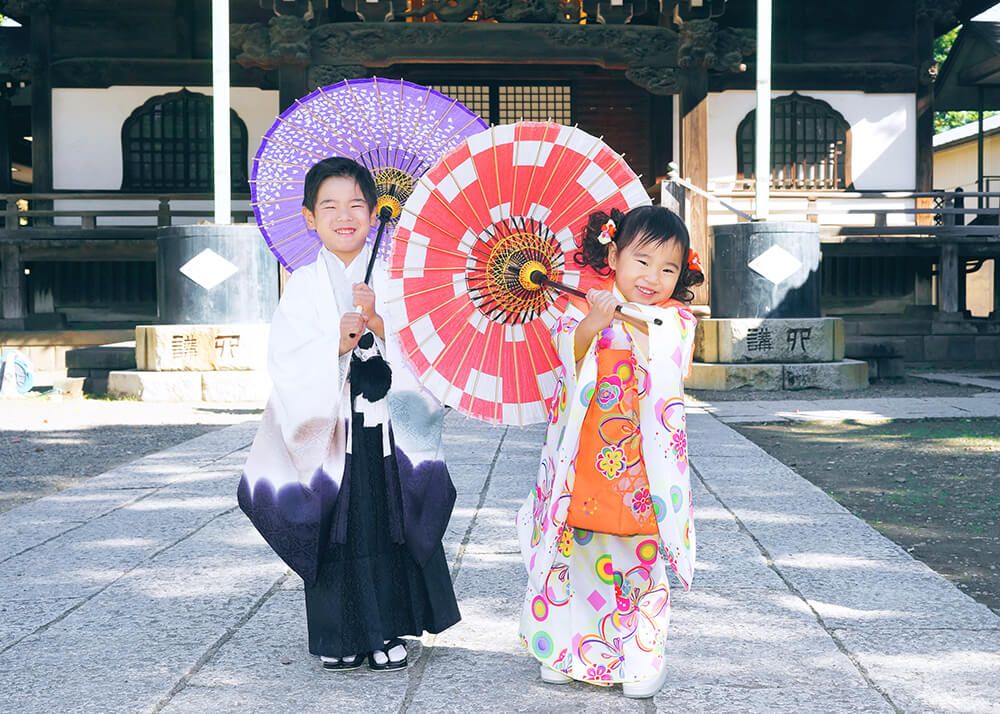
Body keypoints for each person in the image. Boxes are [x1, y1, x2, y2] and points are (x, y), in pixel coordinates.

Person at [238, 157, 460, 673]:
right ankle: (339, 635)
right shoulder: (303, 287)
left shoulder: (396, 278)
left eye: (357, 204)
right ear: (309, 218)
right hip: (331, 435)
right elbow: (286, 362)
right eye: (330, 206)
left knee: (385, 525)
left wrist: (382, 322)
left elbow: (427, 354)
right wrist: (335, 345)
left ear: (377, 213)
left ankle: (386, 631)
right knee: (339, 531)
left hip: (385, 429)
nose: (345, 216)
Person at [516, 205, 704, 698]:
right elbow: (564, 359)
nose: (653, 277)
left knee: (636, 559)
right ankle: (563, 650)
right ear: (614, 253)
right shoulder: (583, 307)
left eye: (668, 268)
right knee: (572, 553)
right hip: (584, 461)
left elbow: (669, 353)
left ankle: (641, 657)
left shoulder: (674, 319)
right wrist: (591, 325)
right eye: (642, 261)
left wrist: (630, 318)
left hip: (640, 468)